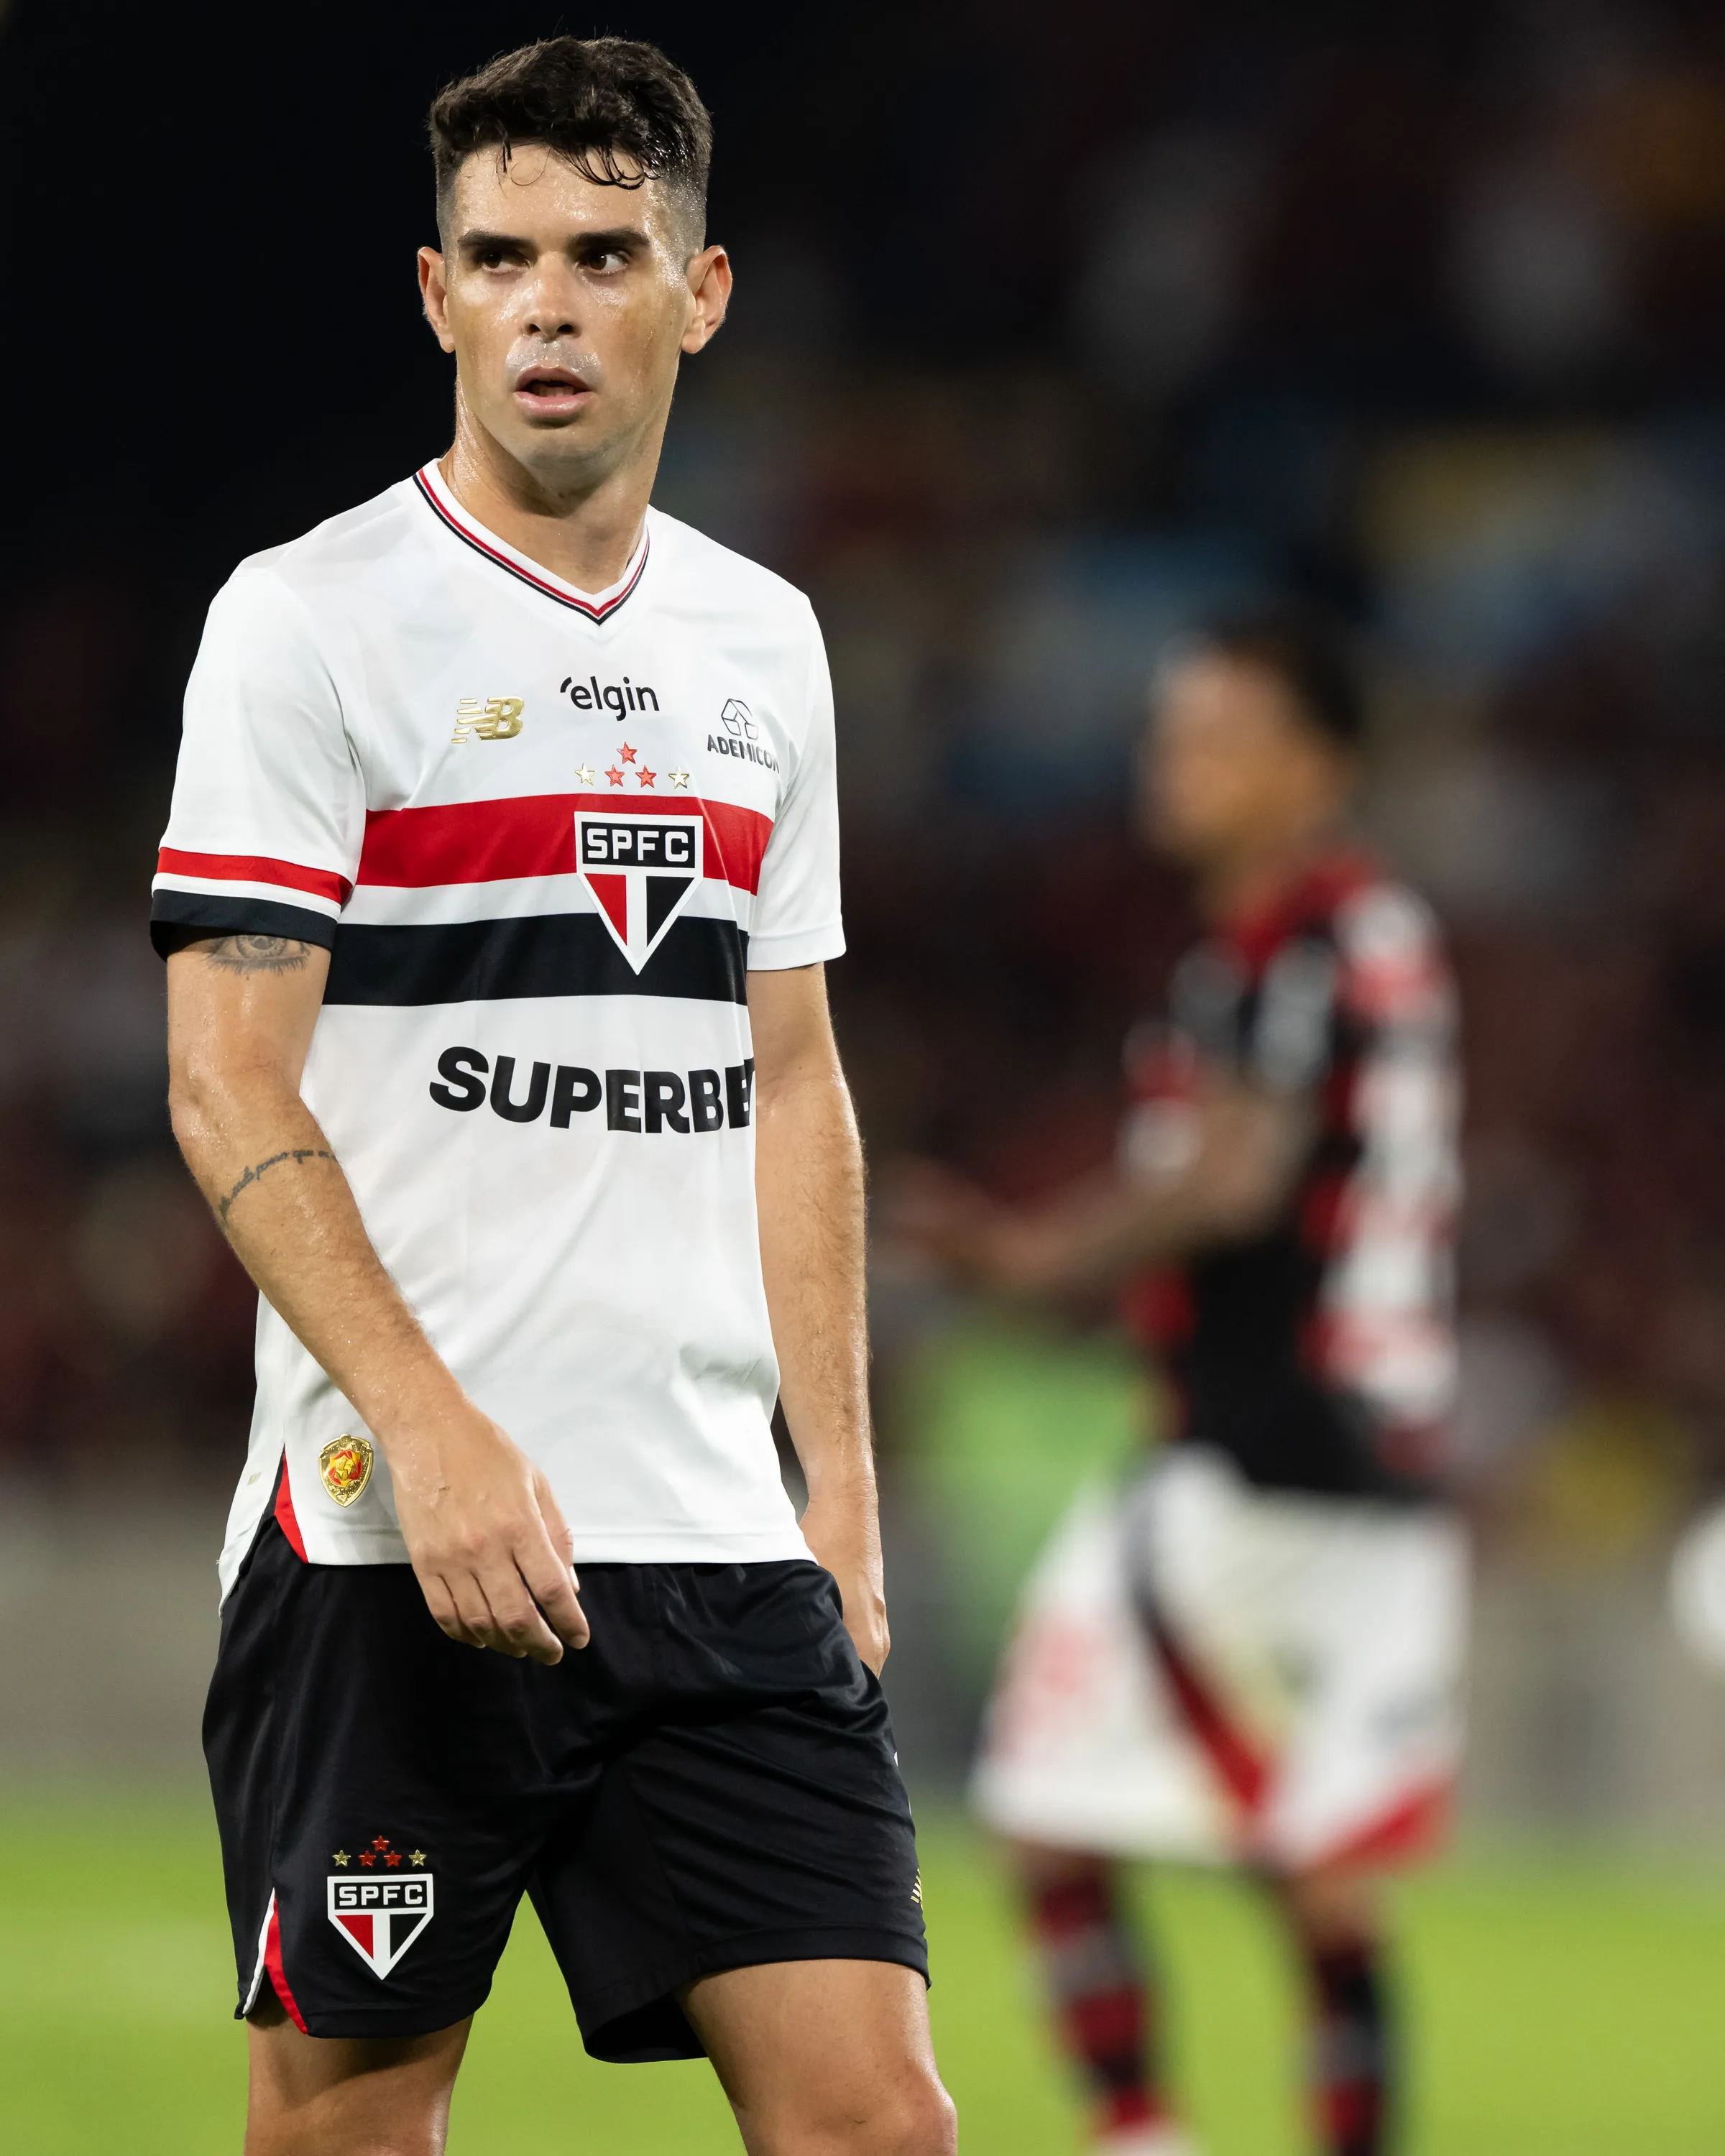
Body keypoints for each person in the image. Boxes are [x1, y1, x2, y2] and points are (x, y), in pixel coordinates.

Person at [153, 37, 953, 2156]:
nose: (547, 306)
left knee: (879, 2122)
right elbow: (225, 1082)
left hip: (711, 1540)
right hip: (387, 1544)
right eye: (501, 257)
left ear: (699, 294)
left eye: (604, 255)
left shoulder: (764, 643)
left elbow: (794, 1077)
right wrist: (429, 1428)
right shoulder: (305, 625)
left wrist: (842, 1493)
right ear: (435, 294)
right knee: (349, 2133)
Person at [893, 611, 1464, 2156]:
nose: (1178, 762)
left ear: (1320, 766)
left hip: (1266, 1447)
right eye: (1173, 731)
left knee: (1045, 1807)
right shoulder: (1318, 945)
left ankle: (1140, 2132)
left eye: (1221, 734)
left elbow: (1227, 1184)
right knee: (1315, 1865)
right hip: (1363, 1459)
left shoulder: (1308, 939)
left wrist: (1021, 1258)